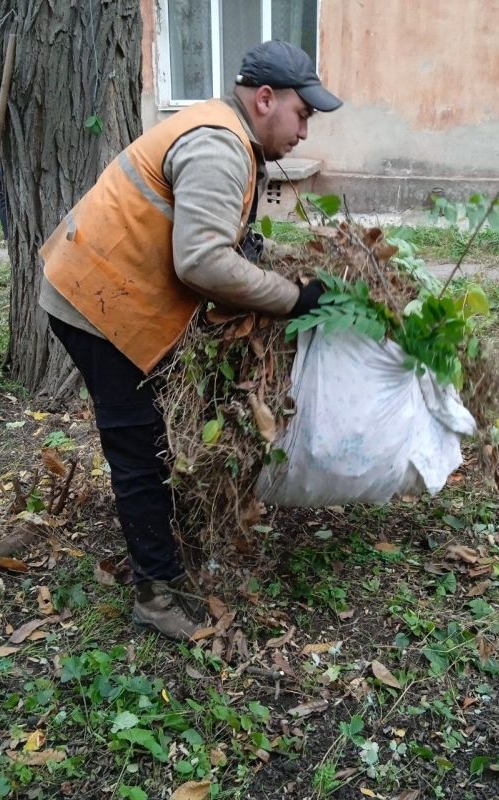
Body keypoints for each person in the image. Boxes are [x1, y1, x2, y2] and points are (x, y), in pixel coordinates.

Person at [38, 41, 343, 641]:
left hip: (102, 290)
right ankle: (156, 591)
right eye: (303, 114)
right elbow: (202, 262)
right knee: (138, 443)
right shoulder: (219, 146)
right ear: (265, 99)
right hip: (94, 301)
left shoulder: (226, 132)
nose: (305, 131)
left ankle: (165, 535)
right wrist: (293, 299)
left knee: (148, 434)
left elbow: (221, 240)